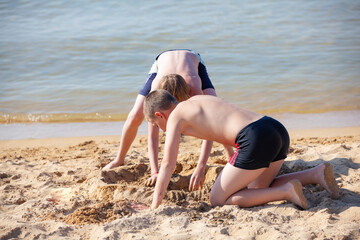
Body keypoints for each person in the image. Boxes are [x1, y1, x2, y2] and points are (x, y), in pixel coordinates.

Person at [143, 89, 340, 209]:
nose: (160, 129)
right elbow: (220, 130)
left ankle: (286, 192)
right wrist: (233, 162)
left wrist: (154, 205)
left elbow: (168, 164)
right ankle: (315, 174)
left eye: (155, 124)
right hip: (274, 128)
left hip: (254, 138)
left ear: (160, 115)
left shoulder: (176, 116)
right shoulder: (198, 100)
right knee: (257, 190)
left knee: (218, 199)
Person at [103, 49, 234, 190]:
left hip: (192, 59)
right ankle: (119, 159)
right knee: (135, 116)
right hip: (162, 61)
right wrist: (155, 171)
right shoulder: (156, 90)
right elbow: (153, 135)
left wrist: (201, 166)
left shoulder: (194, 88)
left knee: (215, 110)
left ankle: (230, 153)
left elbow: (209, 128)